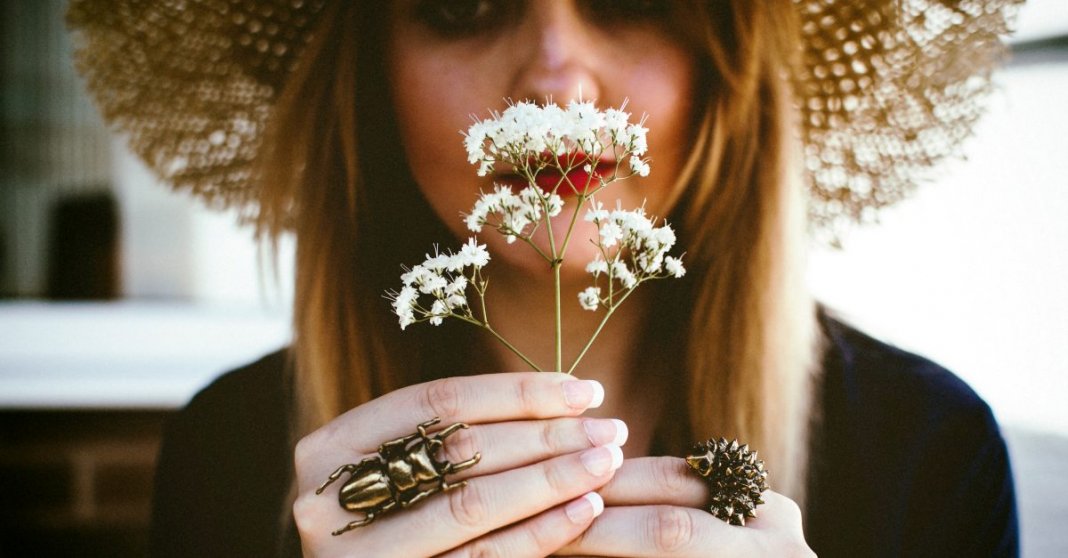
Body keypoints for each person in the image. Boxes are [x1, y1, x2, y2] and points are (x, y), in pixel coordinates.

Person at [68, 0, 1022, 556]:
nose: (557, 78)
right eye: (464, 3)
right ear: (367, 74)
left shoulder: (925, 455)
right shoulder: (231, 460)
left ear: (728, 66)